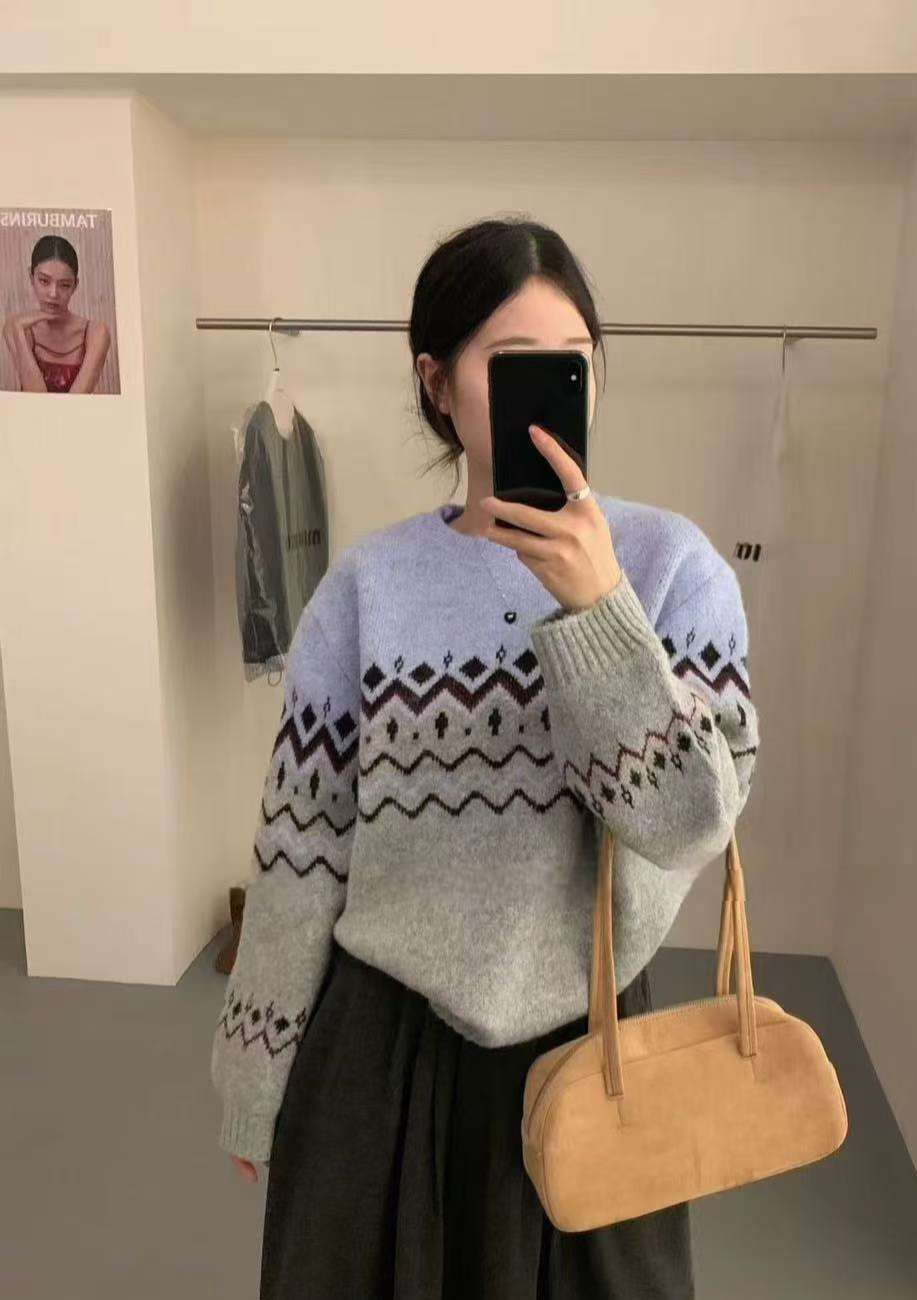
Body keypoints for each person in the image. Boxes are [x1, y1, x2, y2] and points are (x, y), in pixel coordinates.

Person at [210, 216, 761, 1298]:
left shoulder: (672, 568)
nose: (551, 396)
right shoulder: (365, 589)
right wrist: (255, 1066)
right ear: (439, 383)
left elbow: (691, 822)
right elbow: (302, 851)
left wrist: (600, 610)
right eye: (513, 366)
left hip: (594, 1046)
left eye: (574, 364)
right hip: (378, 1053)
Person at [2, 234, 112, 393]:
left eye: (64, 285)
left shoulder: (96, 332)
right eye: (44, 281)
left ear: (75, 285)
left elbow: (75, 403)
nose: (53, 294)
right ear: (31, 278)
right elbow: (35, 400)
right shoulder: (17, 328)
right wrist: (18, 331)